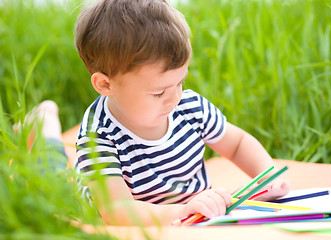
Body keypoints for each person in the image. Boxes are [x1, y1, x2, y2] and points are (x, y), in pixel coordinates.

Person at [74, 0, 290, 226]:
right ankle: (44, 126)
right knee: (53, 170)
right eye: (158, 93)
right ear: (105, 85)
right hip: (142, 219)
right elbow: (117, 210)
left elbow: (237, 143)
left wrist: (266, 175)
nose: (174, 98)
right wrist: (183, 211)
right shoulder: (97, 138)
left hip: (187, 212)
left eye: (180, 82)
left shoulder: (189, 108)